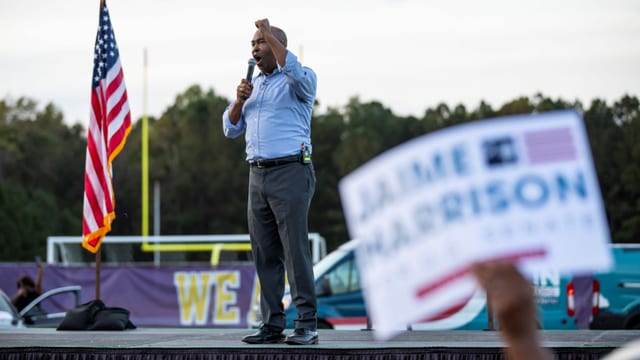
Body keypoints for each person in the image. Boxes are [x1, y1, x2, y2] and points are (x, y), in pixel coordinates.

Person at [222, 18, 318, 345]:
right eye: (252, 43)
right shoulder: (253, 86)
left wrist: (270, 34)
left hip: (290, 170)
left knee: (295, 251)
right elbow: (230, 128)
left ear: (277, 46)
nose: (254, 48)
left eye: (260, 42)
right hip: (257, 174)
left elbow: (292, 68)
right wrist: (238, 101)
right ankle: (272, 324)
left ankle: (306, 324)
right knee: (264, 253)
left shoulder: (299, 80)